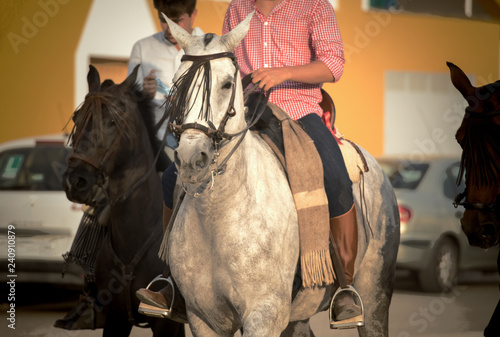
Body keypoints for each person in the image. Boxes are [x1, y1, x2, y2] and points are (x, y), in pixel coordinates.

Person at [137, 0, 362, 329]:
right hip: (246, 111)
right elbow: (229, 64)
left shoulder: (314, 6)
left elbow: (333, 65)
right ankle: (170, 280)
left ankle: (344, 285)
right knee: (173, 177)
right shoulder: (237, 8)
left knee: (335, 176)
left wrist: (282, 73)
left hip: (299, 111)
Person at [54, 0, 202, 330]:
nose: (169, 27)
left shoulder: (207, 47)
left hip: (196, 147)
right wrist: (144, 93)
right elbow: (128, 105)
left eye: (177, 19)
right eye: (164, 20)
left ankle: (208, 289)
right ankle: (92, 293)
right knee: (105, 201)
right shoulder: (143, 48)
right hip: (154, 145)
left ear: (194, 15)